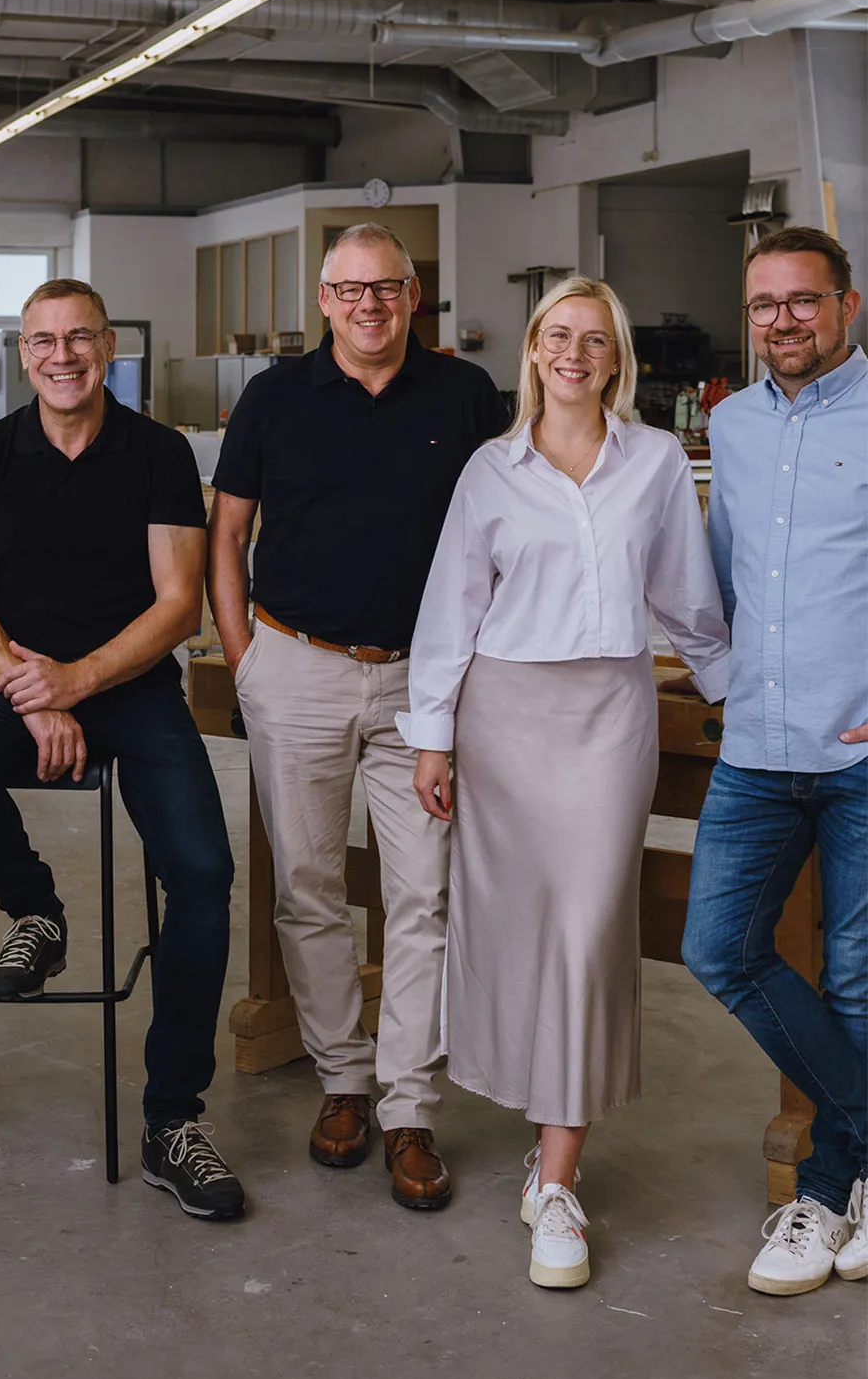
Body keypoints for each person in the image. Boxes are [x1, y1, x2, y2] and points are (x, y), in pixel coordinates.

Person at [402, 276, 730, 1287]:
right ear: (533, 352)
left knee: (591, 931)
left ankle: (556, 1180)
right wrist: (432, 735)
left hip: (609, 720)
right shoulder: (489, 472)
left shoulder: (660, 462)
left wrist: (741, 698)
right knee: (513, 931)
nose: (574, 352)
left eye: (595, 338)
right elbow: (450, 611)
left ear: (618, 357)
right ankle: (534, 1125)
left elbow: (688, 599)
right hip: (504, 720)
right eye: (557, 335)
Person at [0, 278, 244, 1221]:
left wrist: (79, 682)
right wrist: (32, 688)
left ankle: (171, 1119)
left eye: (80, 338)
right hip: (15, 682)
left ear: (109, 347)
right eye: (43, 340)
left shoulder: (158, 452)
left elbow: (178, 603)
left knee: (205, 869)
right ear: (23, 354)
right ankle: (36, 910)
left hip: (131, 689)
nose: (62, 356)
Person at [208, 223, 508, 1210]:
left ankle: (407, 1104)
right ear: (324, 302)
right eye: (349, 289)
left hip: (424, 683)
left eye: (386, 287)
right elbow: (230, 531)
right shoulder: (274, 396)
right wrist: (247, 658)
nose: (368, 304)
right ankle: (343, 1076)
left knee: (424, 895)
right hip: (297, 666)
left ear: (414, 297)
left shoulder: (465, 396)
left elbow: (505, 530)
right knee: (307, 885)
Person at [681, 226, 867, 1296]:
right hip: (756, 745)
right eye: (765, 305)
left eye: (803, 300)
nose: (783, 321)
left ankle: (828, 1187)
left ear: (849, 305)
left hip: (857, 753)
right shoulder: (733, 425)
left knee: (855, 976)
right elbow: (720, 584)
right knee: (717, 946)